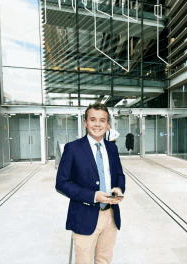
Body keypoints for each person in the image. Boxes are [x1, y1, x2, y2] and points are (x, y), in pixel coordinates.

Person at [55, 102, 125, 264]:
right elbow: (62, 183)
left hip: (111, 215)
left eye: (102, 120)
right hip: (84, 215)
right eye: (93, 119)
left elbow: (120, 174)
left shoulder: (112, 148)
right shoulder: (72, 148)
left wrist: (119, 188)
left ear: (108, 125)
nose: (97, 124)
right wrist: (93, 196)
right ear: (85, 122)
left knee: (104, 260)